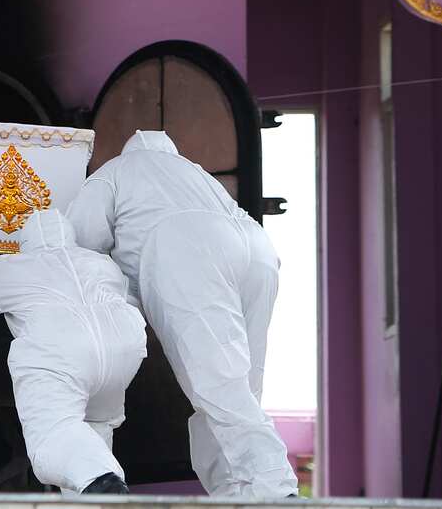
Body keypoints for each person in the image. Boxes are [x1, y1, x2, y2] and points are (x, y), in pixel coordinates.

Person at [66, 130, 298, 499]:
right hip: (256, 248)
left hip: (188, 246)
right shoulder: (197, 173)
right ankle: (236, 492)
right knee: (242, 384)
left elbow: (79, 242)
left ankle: (273, 485)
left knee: (218, 380)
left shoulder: (117, 170)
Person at [0, 208, 147, 494]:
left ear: (24, 242)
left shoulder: (12, 267)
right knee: (92, 431)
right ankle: (101, 486)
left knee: (53, 432)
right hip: (123, 348)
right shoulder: (102, 264)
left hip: (60, 349)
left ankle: (104, 481)